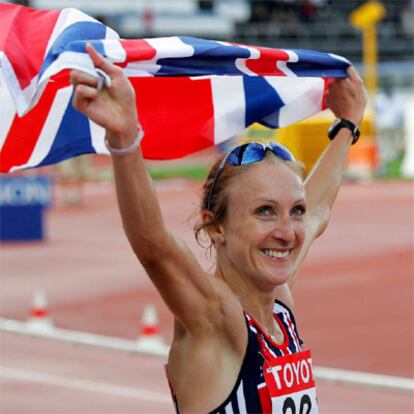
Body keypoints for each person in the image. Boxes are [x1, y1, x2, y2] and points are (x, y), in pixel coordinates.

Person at [70, 44, 366, 413]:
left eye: (295, 210)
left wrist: (347, 124)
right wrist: (125, 138)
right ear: (216, 227)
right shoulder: (214, 317)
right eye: (264, 211)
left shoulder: (279, 306)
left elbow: (318, 210)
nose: (287, 232)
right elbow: (154, 246)